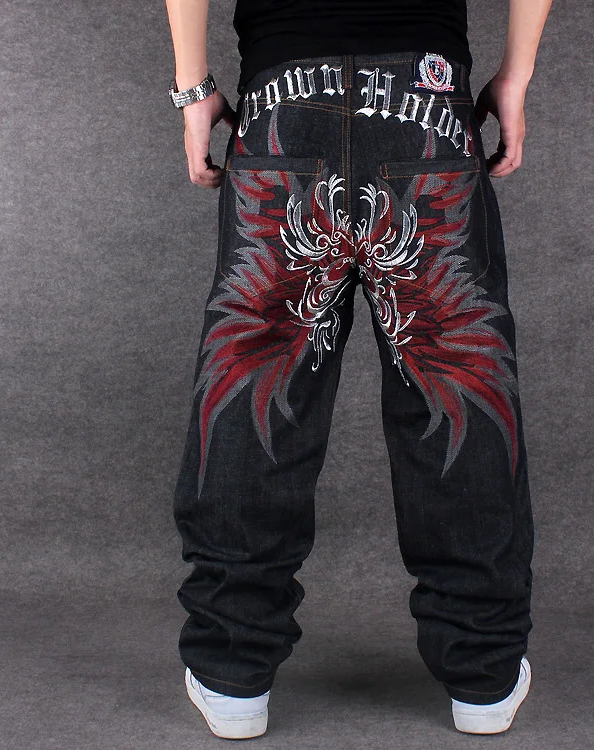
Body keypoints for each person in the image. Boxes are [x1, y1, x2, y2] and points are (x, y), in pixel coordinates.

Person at [165, 0, 552, 739]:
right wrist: (516, 75)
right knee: (457, 379)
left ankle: (232, 667)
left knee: (253, 379)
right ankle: (483, 670)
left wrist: (194, 89)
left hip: (283, 101)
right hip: (427, 100)